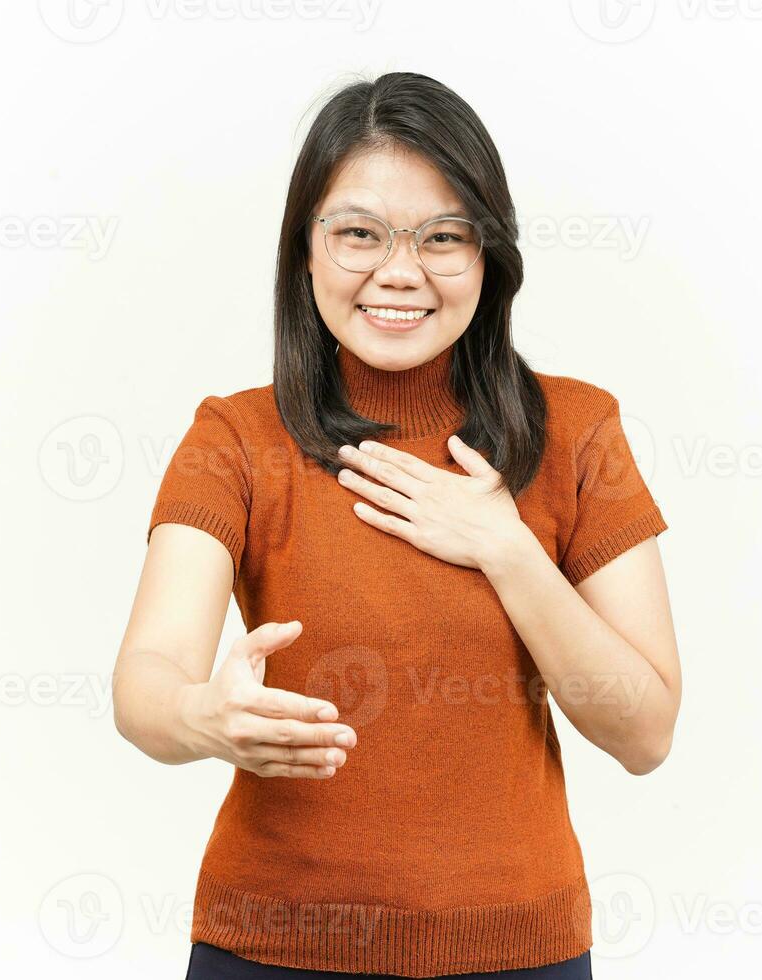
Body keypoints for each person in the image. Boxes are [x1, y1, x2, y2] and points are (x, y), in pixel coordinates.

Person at [112, 71, 682, 979]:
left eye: (443, 237)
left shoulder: (579, 432)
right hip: (272, 951)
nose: (399, 270)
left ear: (488, 255)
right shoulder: (236, 437)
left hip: (517, 952)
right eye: (359, 234)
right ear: (306, 250)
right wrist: (202, 715)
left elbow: (644, 731)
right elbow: (146, 684)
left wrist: (505, 548)